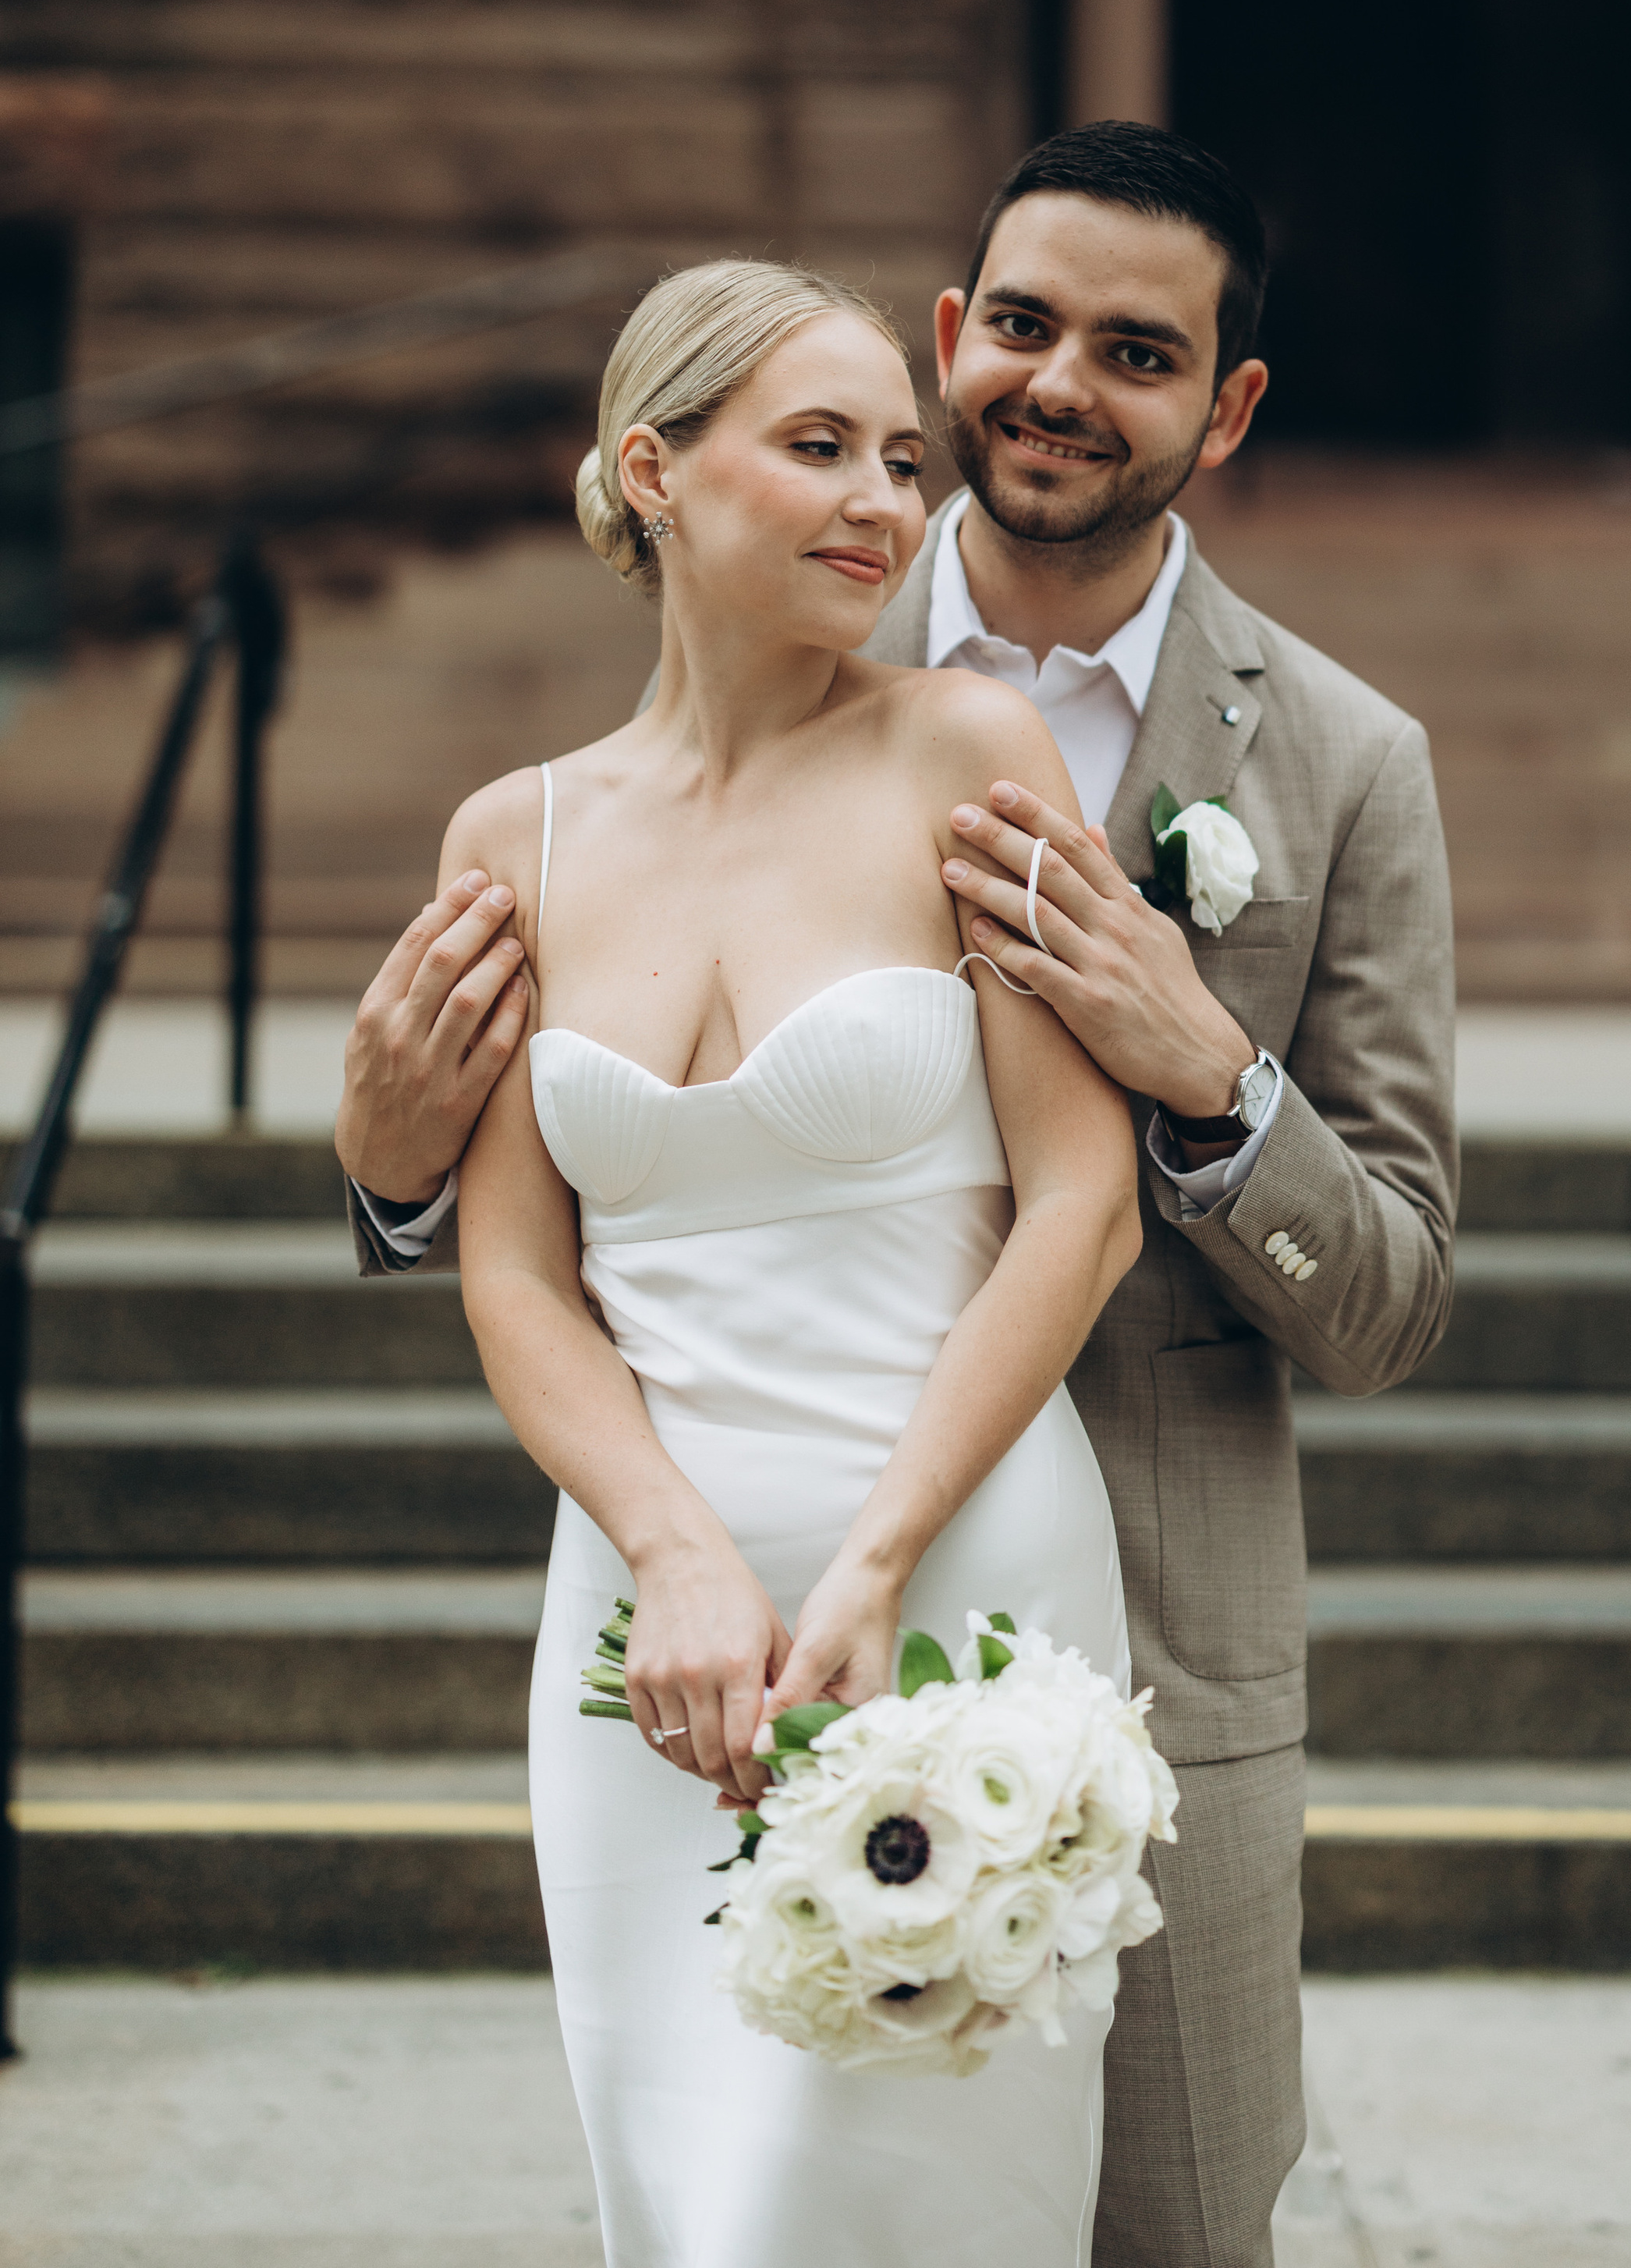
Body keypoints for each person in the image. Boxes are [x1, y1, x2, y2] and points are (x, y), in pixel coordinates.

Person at [341, 124, 1459, 2268]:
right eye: (1020, 329)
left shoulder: (1336, 763)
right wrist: (386, 1161)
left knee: (1159, 2229)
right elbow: (512, 1234)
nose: (1048, 387)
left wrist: (1209, 1073)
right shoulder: (563, 807)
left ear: (1223, 411)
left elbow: (1389, 1293)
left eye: (1138, 352)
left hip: (1091, 1605)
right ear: (958, 339)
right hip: (673, 1596)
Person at [433, 257, 1143, 2265]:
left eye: (902, 461)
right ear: (651, 471)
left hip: (957, 1560)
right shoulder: (517, 839)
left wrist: (878, 1558)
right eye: (816, 446)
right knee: (691, 2195)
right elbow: (514, 1276)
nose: (883, 501)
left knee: (901, 2193)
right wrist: (667, 1551)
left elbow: (1074, 1202)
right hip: (647, 1614)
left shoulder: (963, 749)